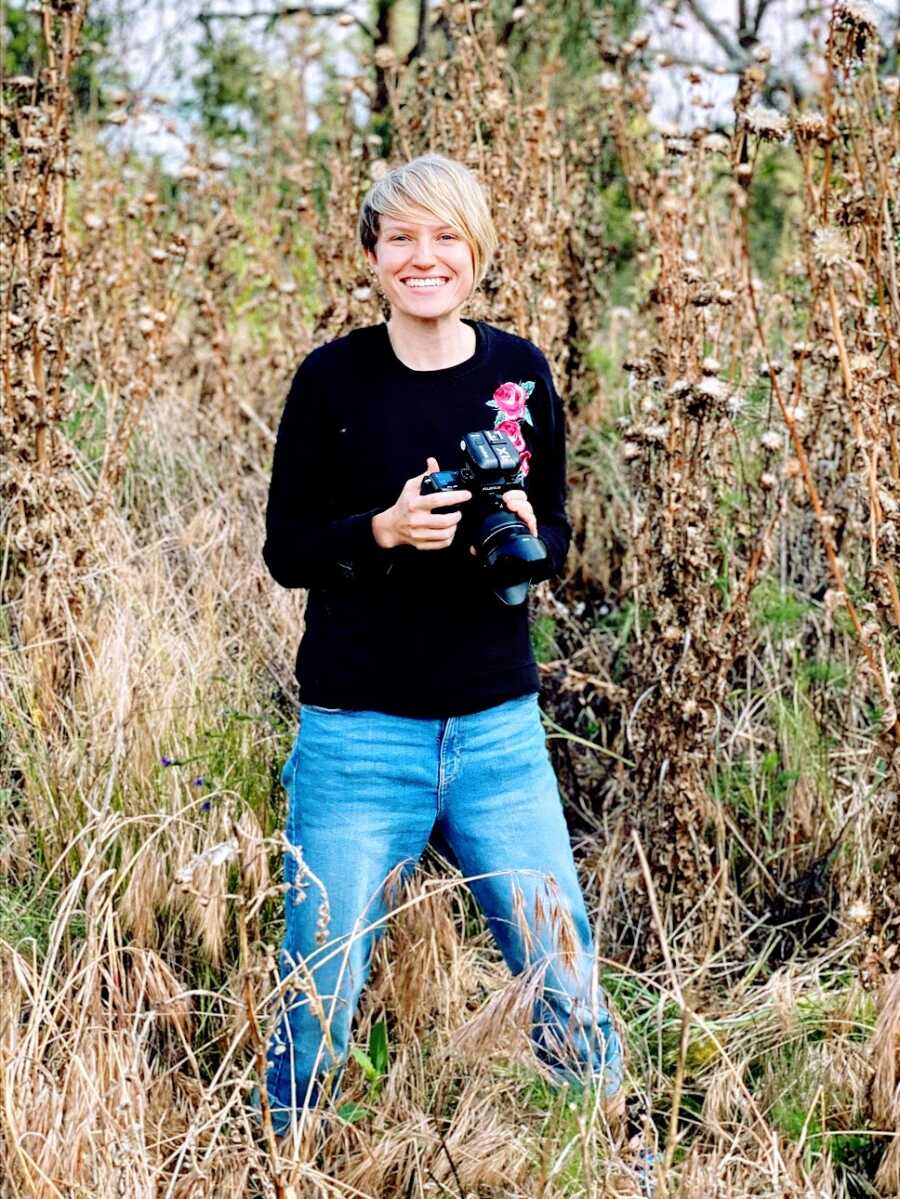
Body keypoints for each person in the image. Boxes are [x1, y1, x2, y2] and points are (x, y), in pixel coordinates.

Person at [261, 152, 624, 1136]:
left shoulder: (521, 371)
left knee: (567, 975)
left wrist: (522, 527)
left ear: (477, 251)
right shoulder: (332, 381)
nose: (426, 257)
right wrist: (381, 532)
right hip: (356, 734)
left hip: (497, 733)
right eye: (403, 238)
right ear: (373, 254)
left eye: (447, 237)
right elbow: (287, 549)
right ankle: (286, 1157)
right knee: (318, 988)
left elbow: (550, 535)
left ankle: (597, 1153)